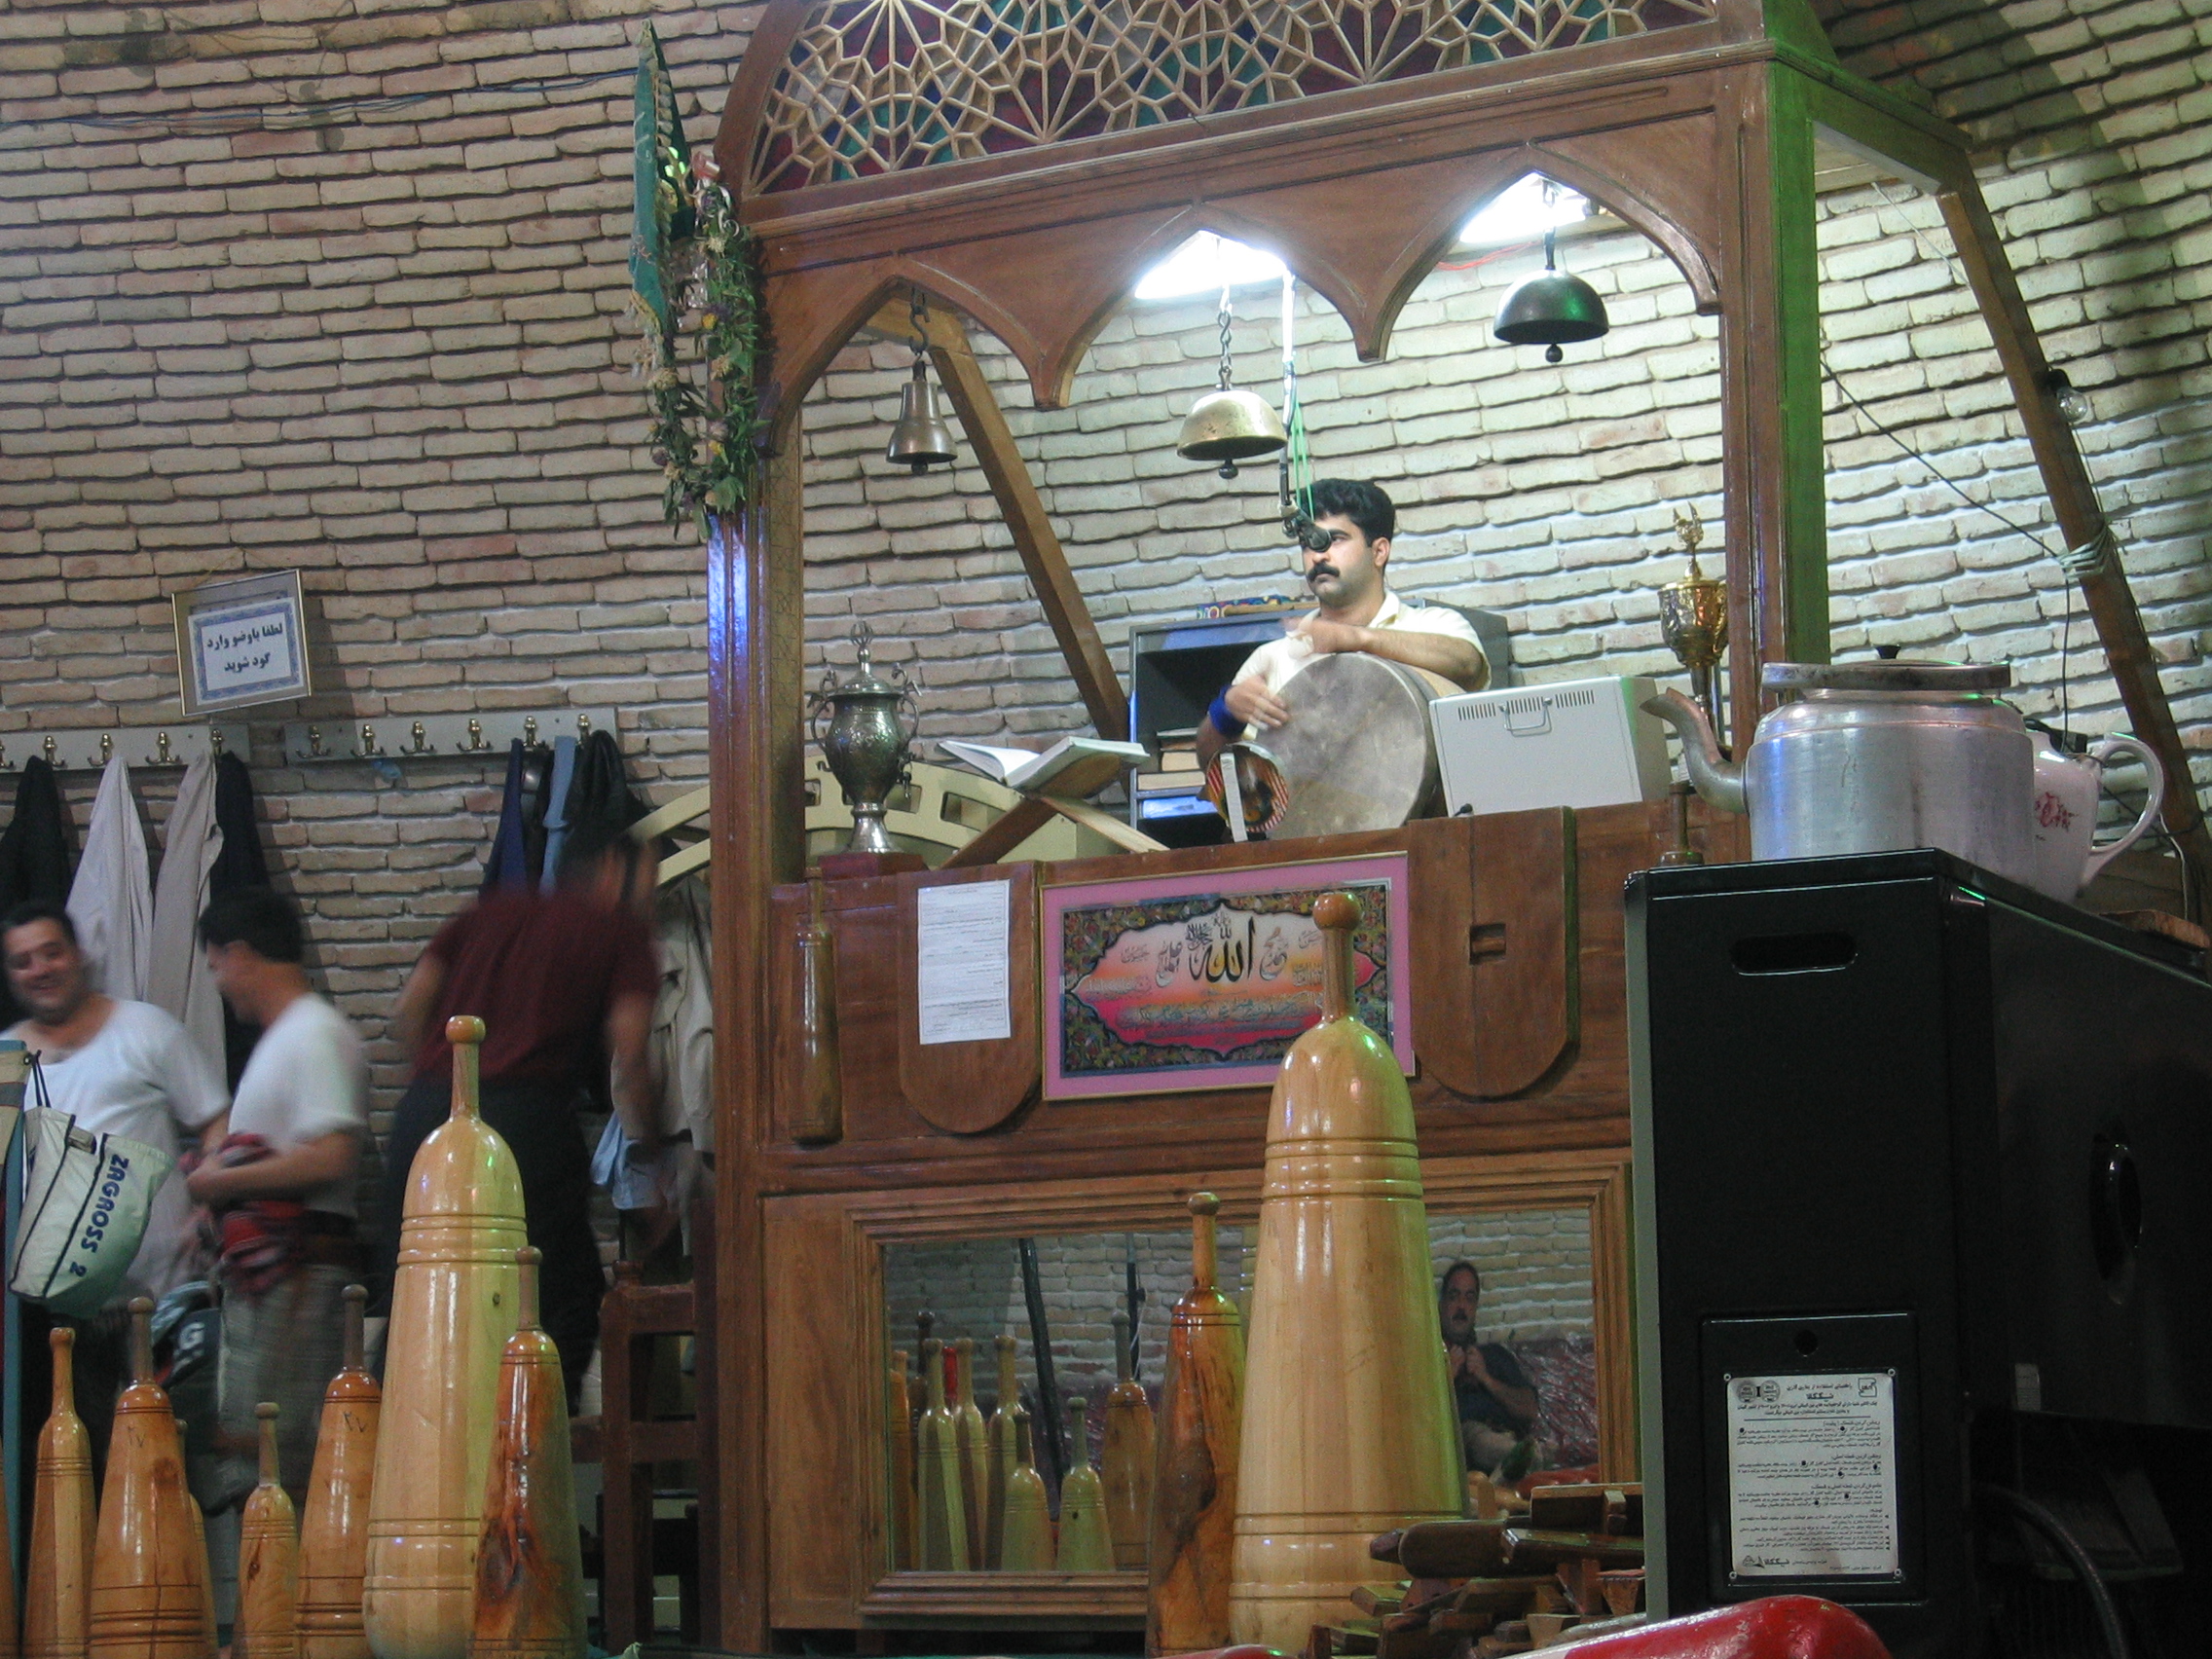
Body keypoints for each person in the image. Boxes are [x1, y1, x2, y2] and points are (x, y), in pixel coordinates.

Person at [386, 820, 663, 1404]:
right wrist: (654, 1166)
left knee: (419, 1297)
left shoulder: (487, 913)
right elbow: (631, 1056)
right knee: (561, 1299)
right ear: (612, 869)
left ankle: (403, 1446)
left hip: (427, 1117)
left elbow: (408, 1012)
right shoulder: (617, 932)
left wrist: (447, 1090)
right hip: (524, 1125)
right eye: (651, 878)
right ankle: (531, 1446)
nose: (652, 896)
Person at [2, 898, 229, 1471]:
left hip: (159, 1306)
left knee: (169, 1468)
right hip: (55, 1323)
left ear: (78, 954)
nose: (40, 969)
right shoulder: (6, 1060)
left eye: (51, 952)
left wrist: (208, 1200)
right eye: (23, 961)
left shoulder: (145, 1029)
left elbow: (216, 1121)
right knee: (79, 1474)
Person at [187, 887, 369, 1509]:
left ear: (239, 953)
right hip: (279, 1283)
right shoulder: (290, 1036)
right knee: (261, 1461)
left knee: (276, 1466)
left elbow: (331, 1155)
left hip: (300, 1278)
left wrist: (219, 1182)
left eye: (215, 965)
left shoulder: (313, 1034)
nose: (219, 982)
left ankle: (283, 1577)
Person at [1198, 479, 1491, 767]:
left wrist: (1358, 638)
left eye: (1335, 540)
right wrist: (1225, 713)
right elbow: (1211, 766)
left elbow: (1468, 666)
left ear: (1379, 551)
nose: (1318, 555)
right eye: (1307, 544)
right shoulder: (1272, 658)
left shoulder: (1434, 625)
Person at [1439, 1260, 1539, 1476]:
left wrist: (1486, 1378)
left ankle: (1524, 1458)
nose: (1461, 1306)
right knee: (1481, 1439)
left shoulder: (1494, 1355)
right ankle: (1525, 1457)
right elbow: (1418, 1420)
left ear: (1475, 1307)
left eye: (1469, 1298)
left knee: (1517, 1448)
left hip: (1509, 1435)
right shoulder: (1431, 1359)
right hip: (1473, 1439)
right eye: (1454, 1296)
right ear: (1442, 1304)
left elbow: (1530, 1409)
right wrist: (1447, 1377)